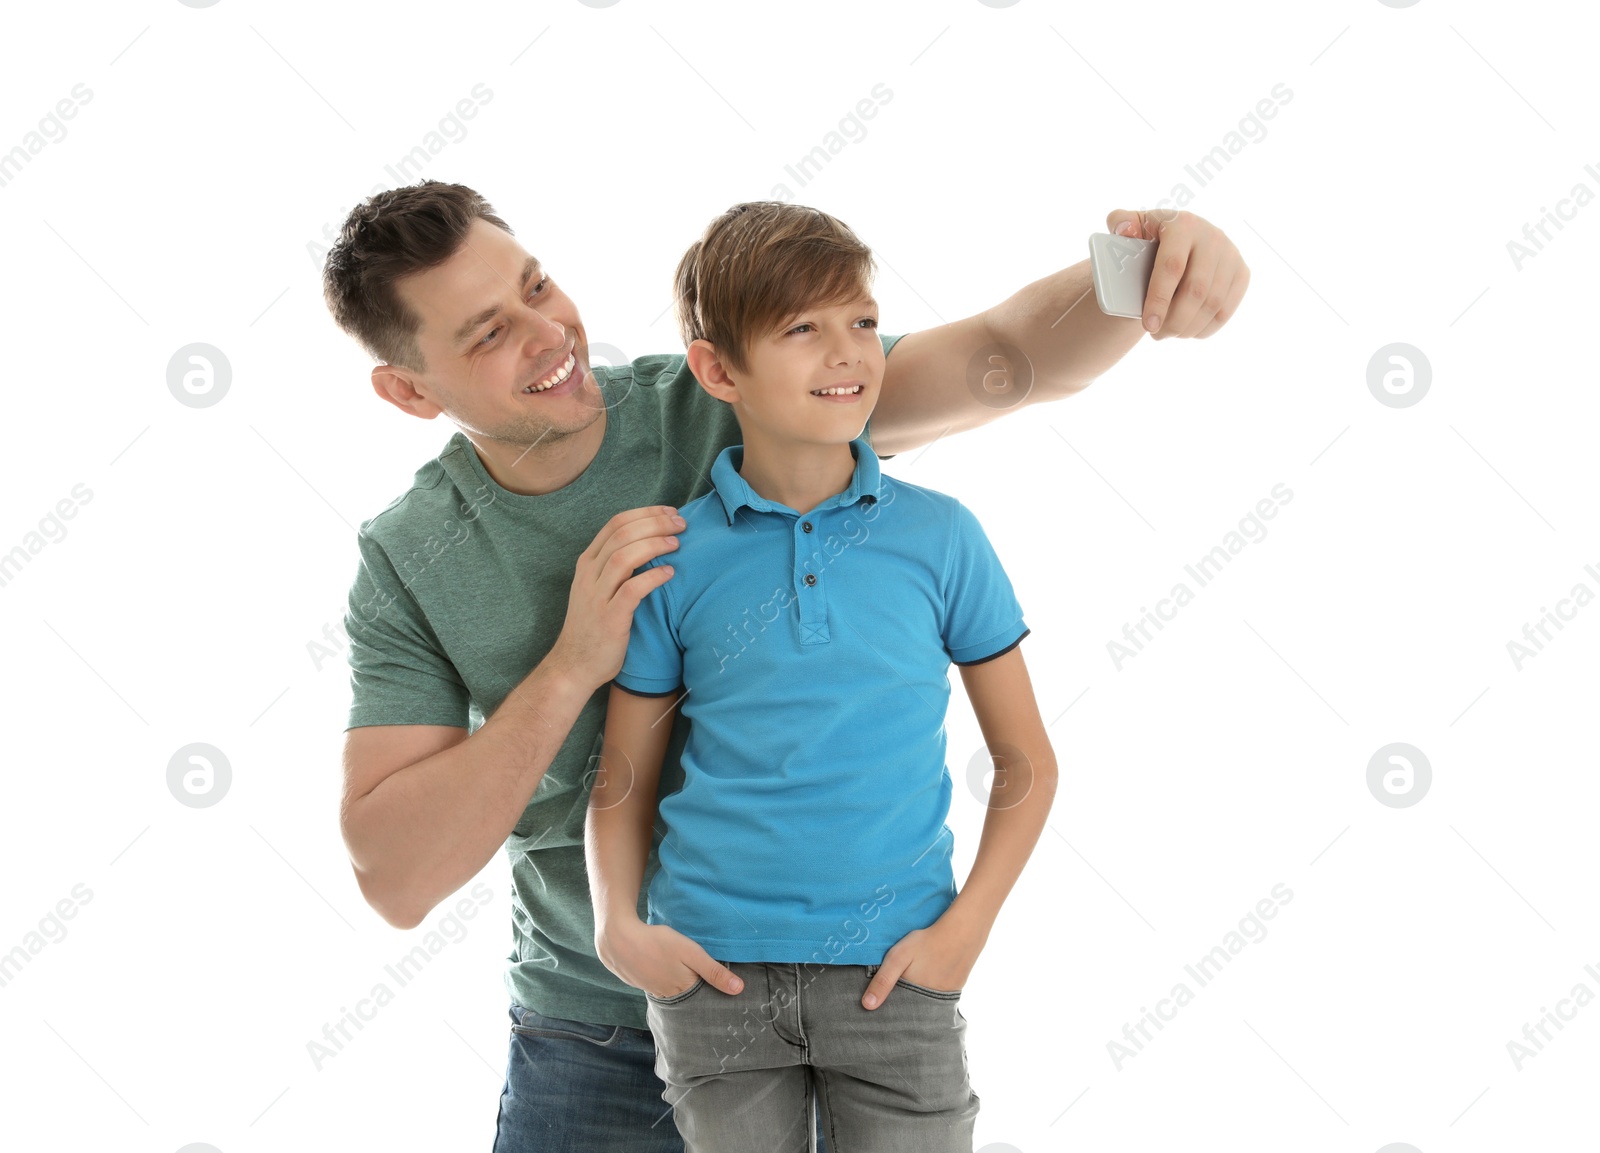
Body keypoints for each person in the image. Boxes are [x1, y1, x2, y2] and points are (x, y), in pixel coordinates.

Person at [322, 179, 1248, 1151]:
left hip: (846, 1000)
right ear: (410, 389)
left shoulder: (737, 390)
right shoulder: (410, 555)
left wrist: (1144, 269)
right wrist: (570, 666)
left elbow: (1001, 360)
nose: (548, 334)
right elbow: (396, 876)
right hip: (591, 1032)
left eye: (538, 286)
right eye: (486, 334)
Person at [586, 202, 1057, 1153]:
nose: (849, 353)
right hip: (713, 975)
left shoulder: (942, 537)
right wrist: (616, 924)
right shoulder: (676, 554)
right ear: (718, 368)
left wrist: (967, 927)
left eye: (864, 322)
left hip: (897, 971)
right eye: (804, 328)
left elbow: (1026, 761)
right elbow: (622, 775)